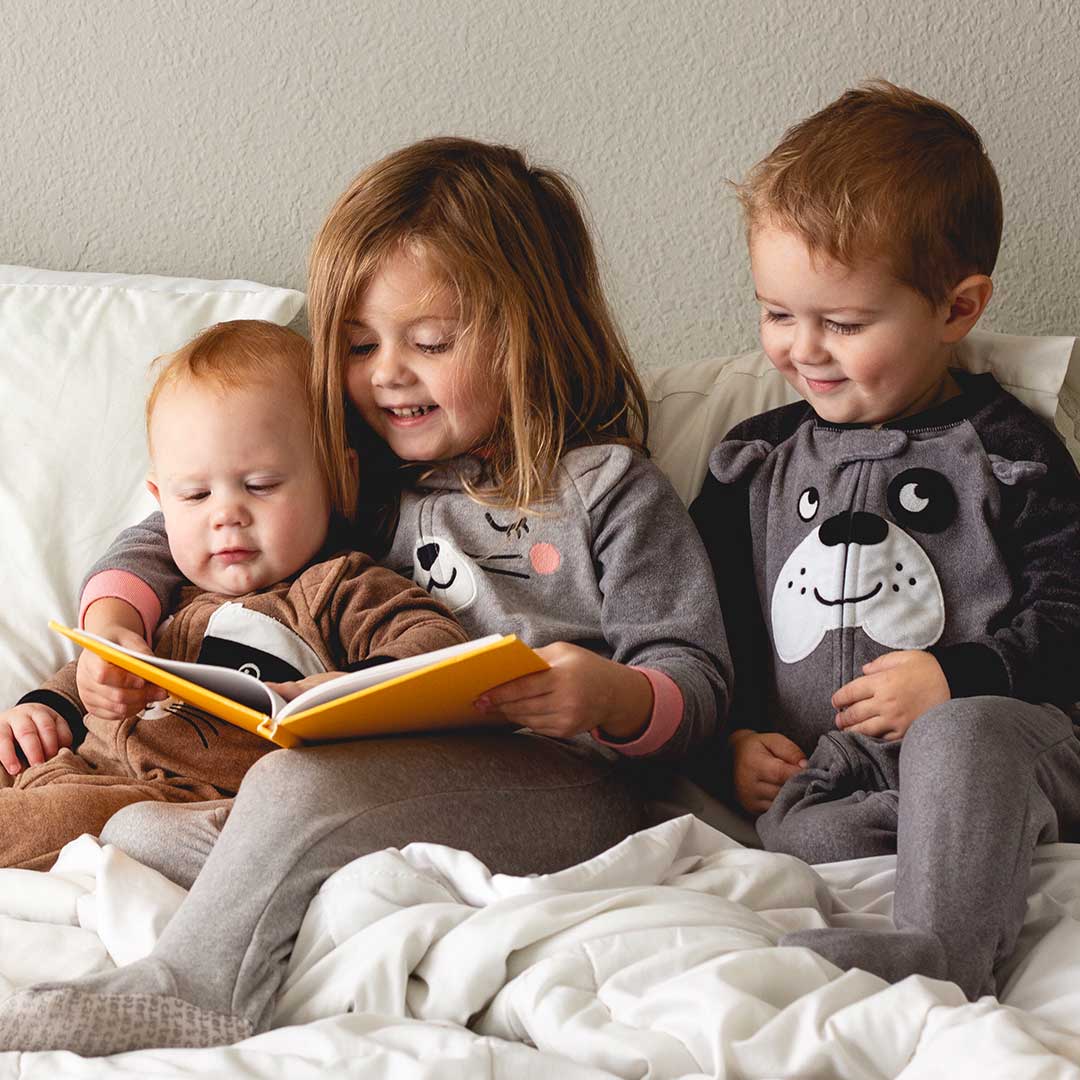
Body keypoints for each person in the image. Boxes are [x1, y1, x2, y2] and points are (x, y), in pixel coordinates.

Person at [0, 138, 731, 1054]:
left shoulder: (606, 489)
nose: (387, 371)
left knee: (297, 790)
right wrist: (115, 619)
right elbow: (183, 524)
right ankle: (266, 872)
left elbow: (694, 671)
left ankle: (190, 987)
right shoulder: (362, 475)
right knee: (146, 827)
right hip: (377, 775)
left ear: (528, 331)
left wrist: (613, 696)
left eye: (429, 342)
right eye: (357, 344)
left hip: (563, 781)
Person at [690, 81, 1080, 1000]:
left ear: (957, 308)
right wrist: (736, 739)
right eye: (778, 314)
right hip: (847, 775)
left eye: (846, 324)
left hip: (1012, 736)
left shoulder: (1006, 451)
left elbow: (1072, 608)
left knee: (960, 735)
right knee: (799, 833)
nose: (802, 348)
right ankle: (966, 846)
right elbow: (723, 625)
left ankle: (944, 951)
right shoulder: (756, 461)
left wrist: (962, 676)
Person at [0, 319, 467, 870]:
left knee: (37, 823)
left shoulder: (339, 587)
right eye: (195, 494)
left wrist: (344, 691)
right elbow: (91, 672)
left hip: (192, 798)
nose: (226, 515)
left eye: (261, 486)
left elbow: (437, 639)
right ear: (160, 500)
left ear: (338, 477)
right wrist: (45, 708)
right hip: (82, 766)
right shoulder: (167, 592)